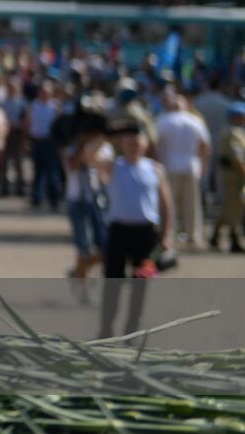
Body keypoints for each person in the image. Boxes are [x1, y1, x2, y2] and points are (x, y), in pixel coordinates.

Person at [99, 118, 173, 338]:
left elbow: (166, 204)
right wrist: (107, 135)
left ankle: (132, 332)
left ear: (145, 143)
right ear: (121, 142)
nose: (133, 143)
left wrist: (166, 236)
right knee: (112, 282)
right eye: (128, 139)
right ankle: (106, 330)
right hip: (118, 232)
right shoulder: (113, 165)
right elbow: (89, 157)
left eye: (138, 139)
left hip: (146, 234)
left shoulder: (155, 169)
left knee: (141, 285)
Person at [154, 92, 212, 248]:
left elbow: (154, 145)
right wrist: (203, 166)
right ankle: (193, 234)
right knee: (192, 204)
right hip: (192, 166)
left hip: (169, 166)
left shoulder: (162, 120)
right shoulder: (195, 121)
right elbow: (205, 146)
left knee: (169, 202)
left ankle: (169, 233)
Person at [63, 111, 111, 280]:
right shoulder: (72, 148)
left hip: (97, 200)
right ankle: (82, 283)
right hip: (76, 199)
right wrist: (83, 145)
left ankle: (80, 270)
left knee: (106, 247)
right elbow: (74, 165)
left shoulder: (106, 149)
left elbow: (107, 174)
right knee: (83, 246)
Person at [210, 101, 245, 253]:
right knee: (235, 207)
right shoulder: (233, 133)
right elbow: (237, 158)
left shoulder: (232, 131)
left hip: (232, 174)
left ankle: (215, 234)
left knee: (228, 207)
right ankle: (234, 239)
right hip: (234, 175)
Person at [27, 81, 62, 210]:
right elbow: (28, 123)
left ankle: (54, 199)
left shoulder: (55, 106)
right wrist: (27, 141)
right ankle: (37, 198)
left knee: (52, 172)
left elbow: (59, 126)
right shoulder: (34, 105)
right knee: (38, 171)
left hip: (50, 142)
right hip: (37, 141)